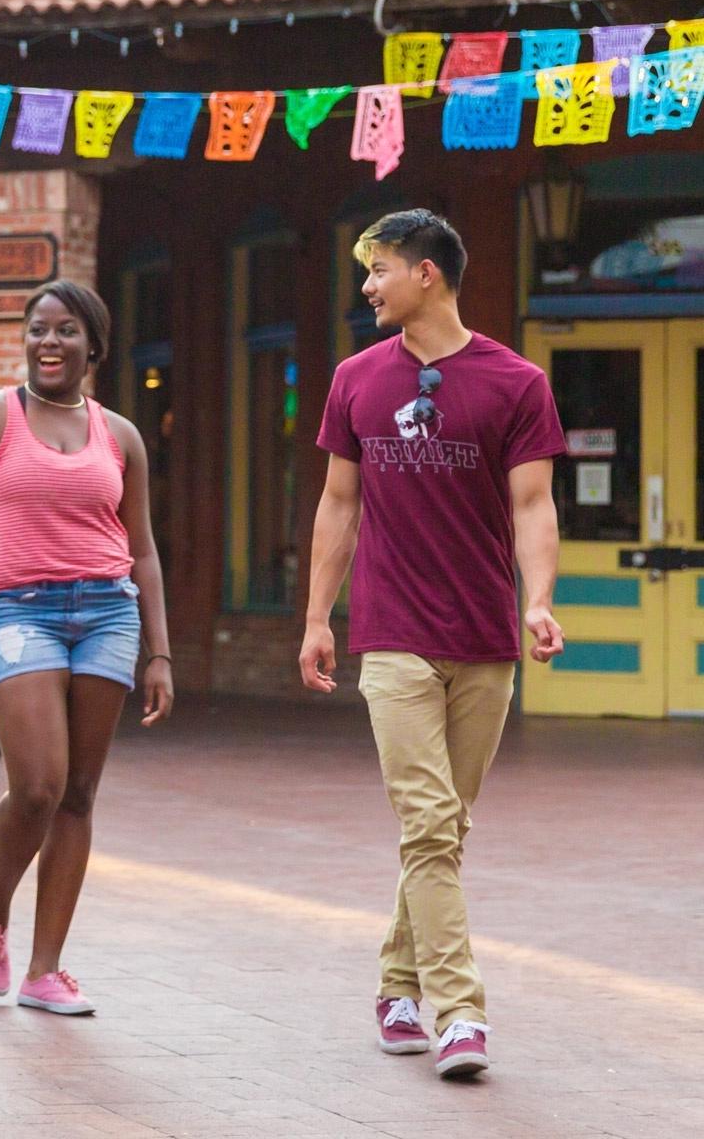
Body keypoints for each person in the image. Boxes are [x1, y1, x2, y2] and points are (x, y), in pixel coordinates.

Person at [299, 208, 565, 1080]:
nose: (367, 286)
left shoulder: (516, 382)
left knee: (443, 832)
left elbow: (532, 505)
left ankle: (396, 985)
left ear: (429, 275)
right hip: (395, 637)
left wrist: (540, 602)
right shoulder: (354, 379)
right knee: (427, 823)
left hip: (486, 638)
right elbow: (339, 504)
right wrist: (315, 619)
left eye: (379, 270)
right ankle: (460, 1015)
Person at [0, 280, 174, 1017]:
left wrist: (159, 652)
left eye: (65, 332)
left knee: (80, 794)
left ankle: (45, 969)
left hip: (106, 613)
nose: (48, 343)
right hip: (14, 609)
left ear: (93, 346)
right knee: (38, 786)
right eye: (37, 330)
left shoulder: (120, 435)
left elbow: (144, 550)